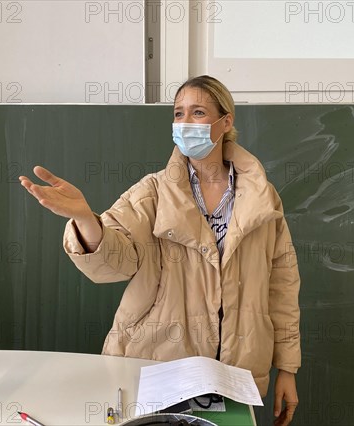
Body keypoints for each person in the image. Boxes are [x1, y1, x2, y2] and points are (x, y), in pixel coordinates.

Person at [19, 75, 301, 425]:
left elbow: (282, 285)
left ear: (225, 122)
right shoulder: (152, 193)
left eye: (198, 112)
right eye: (178, 113)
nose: (185, 123)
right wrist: (84, 218)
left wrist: (287, 368)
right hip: (155, 365)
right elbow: (115, 260)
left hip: (235, 370)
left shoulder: (263, 198)